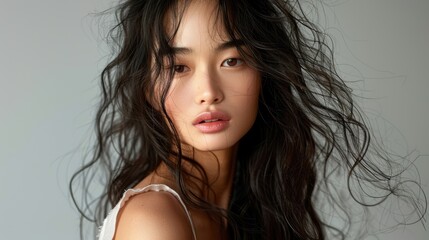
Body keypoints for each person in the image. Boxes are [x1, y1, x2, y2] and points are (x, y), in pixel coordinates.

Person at [70, 0, 426, 239]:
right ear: (147, 88)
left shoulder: (249, 204)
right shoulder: (154, 219)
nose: (208, 91)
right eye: (179, 67)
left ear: (264, 72)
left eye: (232, 60)